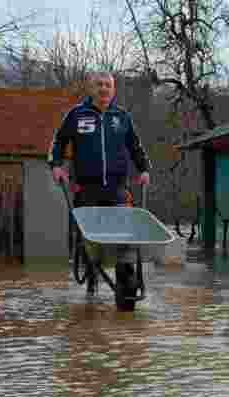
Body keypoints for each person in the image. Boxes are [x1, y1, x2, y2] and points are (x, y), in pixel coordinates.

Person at [48, 71, 152, 308]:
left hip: (117, 188)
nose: (104, 89)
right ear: (90, 88)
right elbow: (58, 142)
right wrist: (56, 165)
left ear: (113, 90)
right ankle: (91, 276)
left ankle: (125, 279)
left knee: (124, 239)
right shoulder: (76, 115)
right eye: (99, 85)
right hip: (86, 188)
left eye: (108, 85)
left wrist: (143, 168)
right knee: (90, 240)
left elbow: (135, 145)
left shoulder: (121, 116)